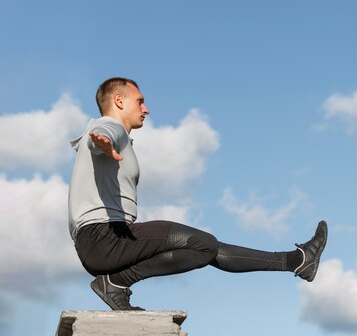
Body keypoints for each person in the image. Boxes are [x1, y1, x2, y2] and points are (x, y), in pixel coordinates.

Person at [68, 77, 327, 310]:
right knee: (203, 244)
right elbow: (101, 135)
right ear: (119, 100)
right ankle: (117, 282)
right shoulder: (108, 126)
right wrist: (102, 140)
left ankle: (296, 260)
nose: (146, 109)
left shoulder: (120, 138)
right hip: (103, 238)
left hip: (105, 241)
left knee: (205, 249)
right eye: (140, 101)